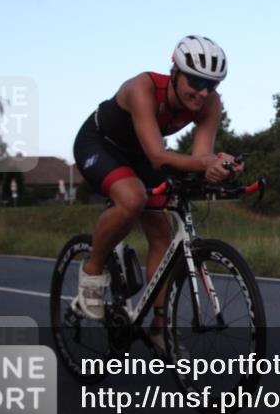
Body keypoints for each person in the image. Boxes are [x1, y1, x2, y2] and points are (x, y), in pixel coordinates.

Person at [72, 35, 241, 349]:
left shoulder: (210, 103)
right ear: (174, 72)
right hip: (100, 144)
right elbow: (159, 158)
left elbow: (200, 157)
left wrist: (219, 166)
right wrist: (206, 162)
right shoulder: (143, 88)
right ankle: (92, 268)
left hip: (141, 154)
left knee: (162, 232)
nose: (203, 92)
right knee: (133, 198)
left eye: (212, 84)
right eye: (196, 81)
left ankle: (159, 328)